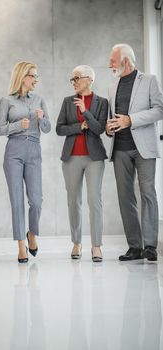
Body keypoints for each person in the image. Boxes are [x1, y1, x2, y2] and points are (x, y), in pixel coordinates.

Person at [106, 43, 163, 261]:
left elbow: (159, 109)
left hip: (144, 147)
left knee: (148, 193)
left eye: (113, 60)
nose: (109, 63)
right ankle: (134, 247)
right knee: (125, 197)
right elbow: (112, 116)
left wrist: (131, 120)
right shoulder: (112, 85)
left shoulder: (149, 80)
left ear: (125, 60)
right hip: (120, 148)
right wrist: (108, 128)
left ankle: (150, 246)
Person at [0, 61, 51, 263]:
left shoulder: (39, 100)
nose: (36, 80)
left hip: (34, 151)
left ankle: (32, 235)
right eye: (33, 76)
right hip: (14, 152)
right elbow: (0, 129)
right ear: (22, 77)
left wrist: (43, 117)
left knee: (36, 200)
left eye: (37, 76)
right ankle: (21, 245)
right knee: (17, 200)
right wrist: (19, 125)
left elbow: (47, 128)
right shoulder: (6, 100)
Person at [56, 65, 108, 262]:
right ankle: (76, 243)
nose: (74, 82)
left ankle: (96, 246)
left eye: (77, 78)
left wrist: (85, 112)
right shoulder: (67, 101)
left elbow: (99, 129)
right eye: (73, 79)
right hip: (71, 158)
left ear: (89, 79)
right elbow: (59, 129)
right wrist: (79, 127)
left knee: (94, 201)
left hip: (94, 158)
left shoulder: (101, 102)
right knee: (73, 201)